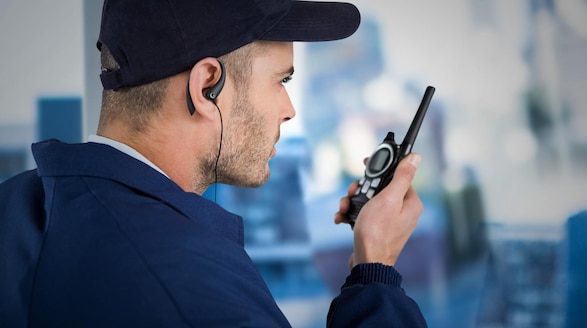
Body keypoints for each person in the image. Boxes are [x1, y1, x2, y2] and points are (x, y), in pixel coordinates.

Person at [0, 0, 428, 326]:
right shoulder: (200, 292)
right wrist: (375, 271)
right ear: (208, 86)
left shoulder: (15, 204)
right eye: (281, 80)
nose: (289, 109)